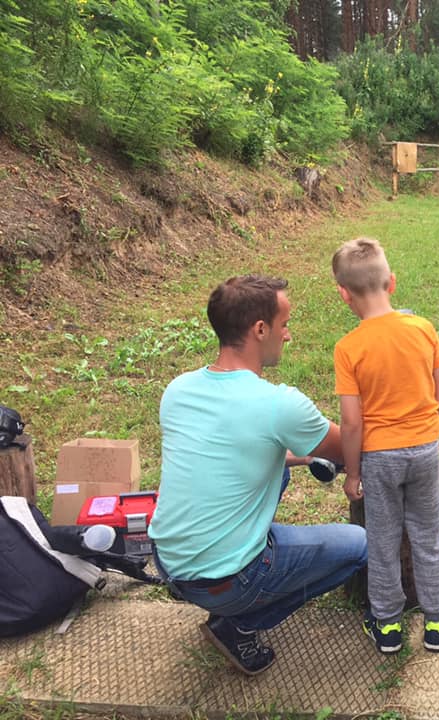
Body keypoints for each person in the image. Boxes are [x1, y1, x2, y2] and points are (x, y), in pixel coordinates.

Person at [148, 274, 368, 676]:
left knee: (279, 474)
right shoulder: (278, 405)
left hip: (168, 561)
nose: (288, 335)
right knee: (358, 546)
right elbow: (349, 449)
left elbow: (231, 452)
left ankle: (228, 586)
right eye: (284, 325)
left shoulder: (178, 390)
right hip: (226, 579)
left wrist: (302, 458)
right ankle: (240, 623)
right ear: (260, 329)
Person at [332, 237, 439, 654]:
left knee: (382, 541)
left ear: (344, 294)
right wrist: (419, 425)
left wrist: (353, 473)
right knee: (428, 534)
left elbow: (351, 422)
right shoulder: (423, 329)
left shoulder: (348, 348)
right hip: (424, 450)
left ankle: (387, 625)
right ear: (392, 282)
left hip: (379, 459)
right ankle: (436, 619)